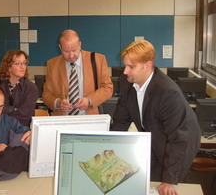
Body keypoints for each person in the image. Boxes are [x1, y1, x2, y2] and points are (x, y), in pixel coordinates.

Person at [111, 40, 201, 195]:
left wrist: (168, 180)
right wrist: (108, 149)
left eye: (131, 66)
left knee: (166, 185)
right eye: (125, 65)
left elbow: (179, 138)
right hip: (155, 136)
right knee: (149, 180)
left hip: (180, 141)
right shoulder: (128, 83)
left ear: (147, 65)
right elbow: (121, 120)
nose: (125, 71)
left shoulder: (166, 92)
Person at [42, 29, 113, 115]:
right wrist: (58, 102)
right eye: (66, 51)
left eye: (74, 50)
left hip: (89, 118)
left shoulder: (98, 60)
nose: (71, 55)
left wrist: (89, 100)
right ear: (60, 47)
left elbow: (108, 88)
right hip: (63, 120)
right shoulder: (52, 64)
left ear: (80, 44)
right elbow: (46, 95)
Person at [0, 50, 38, 127]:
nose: (22, 67)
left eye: (24, 63)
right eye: (18, 64)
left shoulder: (31, 88)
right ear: (8, 66)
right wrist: (13, 109)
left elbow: (25, 116)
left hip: (19, 129)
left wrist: (4, 109)